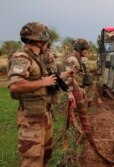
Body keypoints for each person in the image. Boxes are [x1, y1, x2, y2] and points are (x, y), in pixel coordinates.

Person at [7, 22, 72, 166]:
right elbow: (15, 85)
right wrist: (43, 82)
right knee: (32, 159)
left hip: (44, 114)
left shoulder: (38, 58)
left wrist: (62, 76)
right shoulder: (22, 57)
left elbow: (44, 79)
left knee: (45, 155)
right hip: (30, 119)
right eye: (46, 41)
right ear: (41, 41)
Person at [64, 38, 94, 106]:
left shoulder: (79, 59)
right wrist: (70, 93)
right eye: (85, 49)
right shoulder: (72, 59)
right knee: (72, 112)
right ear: (80, 49)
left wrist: (81, 88)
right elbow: (68, 76)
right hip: (74, 91)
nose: (87, 51)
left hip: (78, 89)